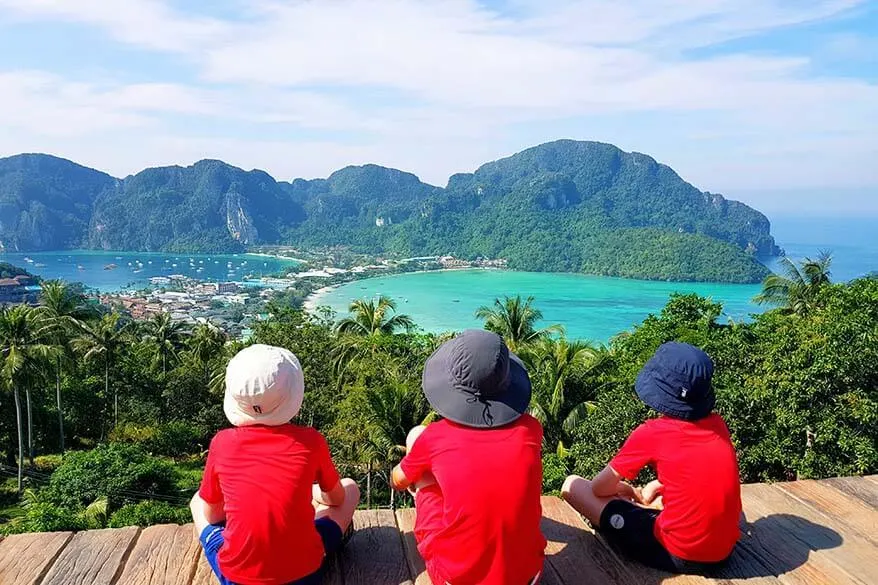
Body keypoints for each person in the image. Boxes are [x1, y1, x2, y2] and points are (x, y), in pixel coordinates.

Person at [561, 342, 741, 575]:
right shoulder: (718, 426)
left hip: (677, 553)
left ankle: (635, 511)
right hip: (723, 551)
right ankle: (648, 505)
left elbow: (598, 488)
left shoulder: (652, 432)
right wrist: (654, 488)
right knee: (655, 489)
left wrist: (629, 491)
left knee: (571, 485)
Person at [190, 344, 361, 585]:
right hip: (305, 574)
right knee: (350, 487)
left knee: (198, 500)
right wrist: (311, 494)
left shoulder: (222, 442)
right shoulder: (311, 441)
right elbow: (336, 499)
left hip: (238, 579)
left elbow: (214, 514)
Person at [391, 329, 546, 585]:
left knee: (417, 441)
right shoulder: (531, 429)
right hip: (528, 576)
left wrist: (417, 475)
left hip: (455, 578)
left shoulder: (435, 437)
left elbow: (398, 480)